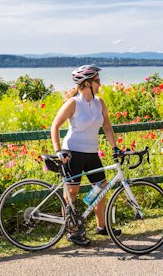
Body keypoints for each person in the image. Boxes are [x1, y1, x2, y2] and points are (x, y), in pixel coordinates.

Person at [51, 64, 122, 245]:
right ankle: (72, 230)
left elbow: (107, 127)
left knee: (101, 188)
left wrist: (115, 148)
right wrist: (59, 150)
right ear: (87, 83)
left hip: (91, 153)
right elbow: (55, 126)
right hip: (72, 152)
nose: (100, 84)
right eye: (97, 81)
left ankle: (101, 227)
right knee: (72, 191)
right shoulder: (74, 103)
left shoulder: (100, 103)